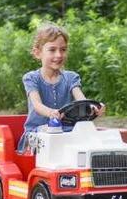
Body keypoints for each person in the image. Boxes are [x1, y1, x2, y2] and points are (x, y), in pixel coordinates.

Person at [19, 23, 105, 152]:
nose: (58, 55)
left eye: (63, 49)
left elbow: (81, 100)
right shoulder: (31, 78)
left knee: (90, 139)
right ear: (38, 53)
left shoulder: (71, 78)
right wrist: (51, 113)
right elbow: (37, 105)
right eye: (52, 50)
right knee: (54, 140)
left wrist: (92, 107)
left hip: (66, 132)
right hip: (37, 134)